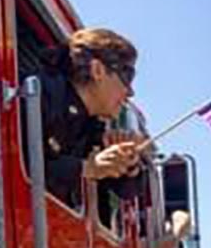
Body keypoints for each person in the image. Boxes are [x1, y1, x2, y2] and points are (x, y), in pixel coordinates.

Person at [32, 28, 142, 210]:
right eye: (127, 76)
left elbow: (127, 193)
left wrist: (127, 164)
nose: (130, 92)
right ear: (97, 70)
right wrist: (87, 168)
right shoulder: (40, 95)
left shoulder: (91, 125)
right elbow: (16, 166)